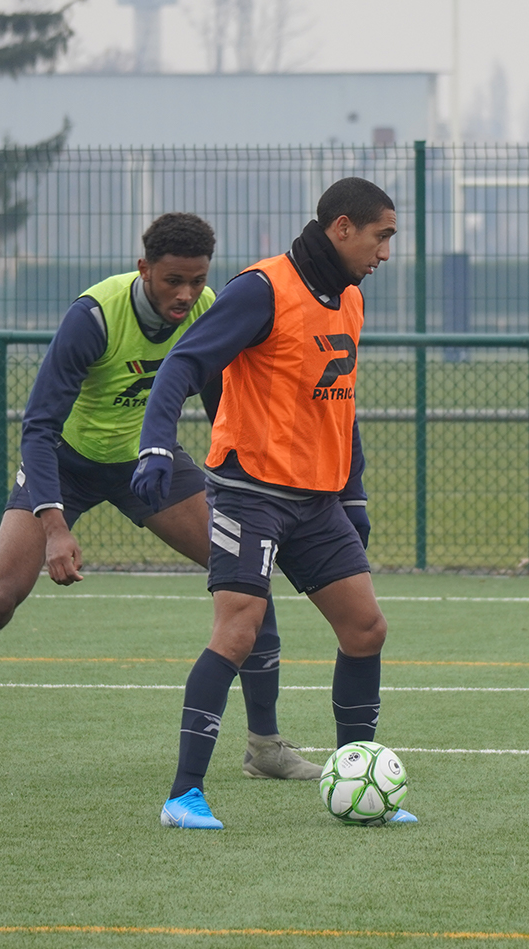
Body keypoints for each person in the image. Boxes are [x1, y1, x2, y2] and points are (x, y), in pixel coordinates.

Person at [0, 213, 322, 786]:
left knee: (243, 573)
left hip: (145, 460)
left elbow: (218, 396)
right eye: (172, 280)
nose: (185, 294)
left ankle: (265, 746)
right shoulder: (95, 316)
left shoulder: (207, 307)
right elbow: (39, 427)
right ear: (143, 269)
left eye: (197, 280)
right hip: (64, 462)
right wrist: (55, 526)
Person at [133, 177, 404, 830]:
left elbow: (340, 403)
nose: (386, 252)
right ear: (342, 228)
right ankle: (184, 797)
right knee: (238, 630)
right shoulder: (262, 289)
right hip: (249, 492)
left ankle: (355, 780)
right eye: (381, 236)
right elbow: (182, 366)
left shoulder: (349, 301)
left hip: (315, 502)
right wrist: (155, 446)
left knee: (365, 629)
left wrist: (353, 494)